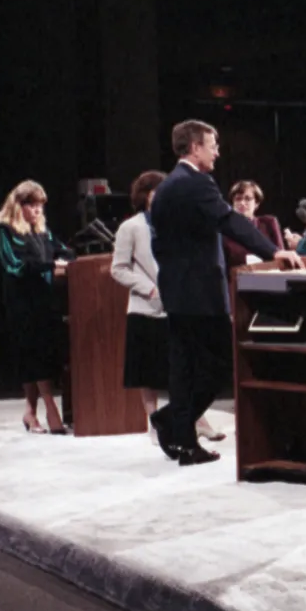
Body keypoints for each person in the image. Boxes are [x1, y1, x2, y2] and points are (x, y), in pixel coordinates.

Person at [150, 120, 303, 466]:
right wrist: (273, 252)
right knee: (223, 364)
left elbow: (159, 243)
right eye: (212, 144)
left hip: (177, 291)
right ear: (194, 147)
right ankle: (175, 423)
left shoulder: (166, 187)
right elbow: (230, 221)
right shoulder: (196, 183)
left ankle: (182, 436)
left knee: (184, 368)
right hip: (201, 295)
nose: (218, 151)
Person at [111, 170, 224, 444]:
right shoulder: (132, 226)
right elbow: (118, 268)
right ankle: (153, 422)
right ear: (144, 196)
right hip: (145, 307)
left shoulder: (174, 223)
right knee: (147, 369)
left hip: (178, 303)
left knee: (185, 368)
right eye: (155, 192)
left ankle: (196, 418)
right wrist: (148, 288)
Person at [0, 180, 74, 433]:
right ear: (18, 205)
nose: (38, 210)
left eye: (40, 205)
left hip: (45, 300)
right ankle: (51, 411)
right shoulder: (5, 230)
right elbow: (14, 265)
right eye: (32, 204)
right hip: (22, 302)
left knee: (37, 356)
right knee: (35, 354)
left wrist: (68, 259)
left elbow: (64, 250)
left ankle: (30, 413)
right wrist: (51, 265)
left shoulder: (42, 231)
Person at [223, 179, 285, 275]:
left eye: (247, 199)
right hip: (237, 280)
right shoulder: (225, 230)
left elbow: (280, 256)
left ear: (257, 203)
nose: (242, 203)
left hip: (269, 279)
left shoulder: (268, 223)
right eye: (238, 199)